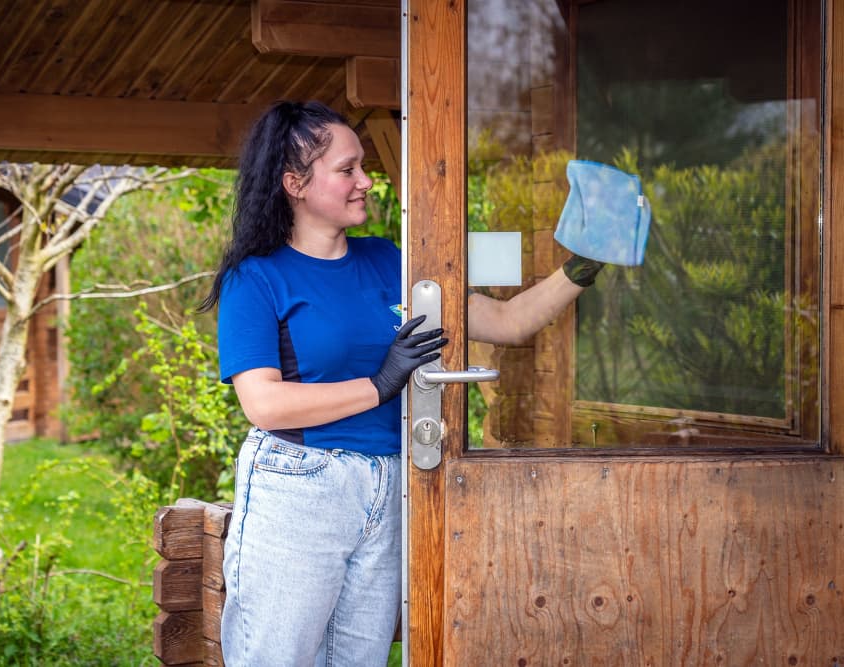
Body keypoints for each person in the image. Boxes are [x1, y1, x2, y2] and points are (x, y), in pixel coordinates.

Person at [200, 100, 604, 666]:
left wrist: (588, 263)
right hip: (299, 485)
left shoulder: (390, 261)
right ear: (295, 183)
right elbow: (264, 403)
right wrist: (380, 383)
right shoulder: (258, 278)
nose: (366, 181)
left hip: (392, 481)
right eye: (347, 170)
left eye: (363, 166)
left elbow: (510, 322)